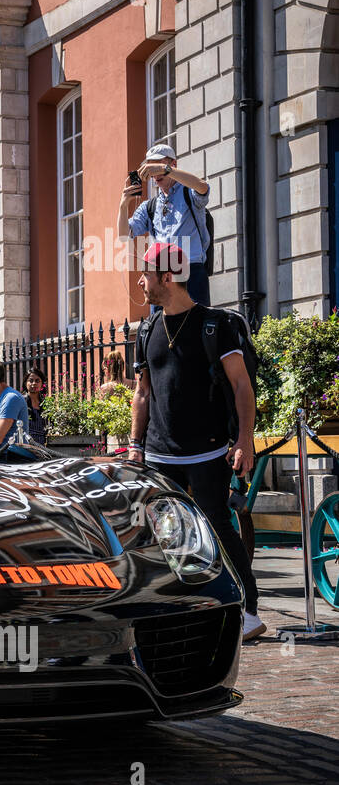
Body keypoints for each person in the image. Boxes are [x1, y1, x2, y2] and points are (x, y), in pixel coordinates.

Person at [127, 241, 264, 641]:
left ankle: (249, 611)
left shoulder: (215, 325)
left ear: (167, 277)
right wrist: (135, 444)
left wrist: (244, 439)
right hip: (158, 452)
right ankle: (175, 609)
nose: (141, 280)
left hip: (206, 450)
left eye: (147, 273)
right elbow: (142, 392)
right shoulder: (148, 328)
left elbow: (241, 386)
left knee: (218, 527)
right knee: (159, 533)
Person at [118, 142, 213, 307]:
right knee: (163, 329)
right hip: (161, 276)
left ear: (173, 164)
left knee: (196, 328)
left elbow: (203, 187)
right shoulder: (150, 206)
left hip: (191, 270)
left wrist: (166, 170)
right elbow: (124, 236)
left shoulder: (188, 192)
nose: (154, 172)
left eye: (158, 165)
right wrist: (123, 205)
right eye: (151, 167)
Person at [22, 367, 49, 445]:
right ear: (25, 383)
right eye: (31, 381)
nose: (34, 383)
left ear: (42, 384)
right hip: (26, 444)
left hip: (43, 446)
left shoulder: (46, 403)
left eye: (37, 381)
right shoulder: (21, 401)